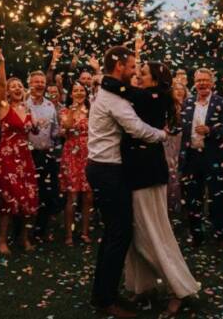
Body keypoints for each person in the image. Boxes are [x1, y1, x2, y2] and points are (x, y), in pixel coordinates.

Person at [87, 45, 167, 318]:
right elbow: (138, 130)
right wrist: (162, 135)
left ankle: (103, 292)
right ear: (119, 66)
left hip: (102, 169)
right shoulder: (113, 99)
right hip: (108, 171)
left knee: (113, 234)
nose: (135, 72)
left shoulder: (108, 91)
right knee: (118, 235)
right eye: (132, 67)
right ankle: (105, 300)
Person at [121, 49, 200, 317]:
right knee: (136, 232)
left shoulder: (153, 97)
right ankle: (142, 287)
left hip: (148, 172)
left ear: (155, 79)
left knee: (149, 232)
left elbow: (122, 90)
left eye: (142, 73)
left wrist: (111, 71)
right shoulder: (151, 96)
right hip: (136, 170)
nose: (137, 76)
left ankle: (179, 288)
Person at [0, 46, 39, 255]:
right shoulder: (4, 106)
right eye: (13, 86)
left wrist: (36, 124)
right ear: (8, 92)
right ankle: (2, 240)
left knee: (28, 196)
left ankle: (24, 238)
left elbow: (32, 131)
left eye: (20, 86)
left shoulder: (27, 109)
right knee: (9, 197)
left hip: (24, 155)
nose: (18, 88)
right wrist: (2, 62)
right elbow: (1, 84)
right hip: (8, 156)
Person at [180, 68, 223, 246]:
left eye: (205, 80)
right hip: (192, 156)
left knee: (217, 197)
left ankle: (221, 235)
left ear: (212, 83)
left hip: (213, 156)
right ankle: (196, 236)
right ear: (194, 83)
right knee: (193, 197)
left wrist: (211, 130)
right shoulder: (187, 103)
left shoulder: (221, 102)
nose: (202, 83)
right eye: (199, 80)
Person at [26, 70, 61, 241]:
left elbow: (54, 132)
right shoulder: (24, 104)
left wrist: (63, 131)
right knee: (28, 192)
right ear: (30, 83)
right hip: (28, 154)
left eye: (42, 82)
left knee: (46, 193)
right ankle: (22, 231)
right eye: (36, 82)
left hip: (47, 153)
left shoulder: (50, 106)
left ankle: (40, 230)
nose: (40, 84)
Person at [59, 81, 92, 245]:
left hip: (88, 154)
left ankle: (85, 232)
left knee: (88, 196)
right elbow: (67, 126)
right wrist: (74, 109)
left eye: (82, 90)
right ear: (71, 94)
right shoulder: (65, 111)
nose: (79, 93)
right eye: (76, 91)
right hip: (71, 153)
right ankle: (68, 235)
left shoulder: (91, 112)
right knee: (72, 196)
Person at [164, 81, 188, 213]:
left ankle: (180, 207)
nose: (179, 91)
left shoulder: (188, 107)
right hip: (168, 143)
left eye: (181, 89)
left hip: (182, 143)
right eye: (176, 89)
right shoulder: (167, 108)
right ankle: (168, 206)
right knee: (170, 171)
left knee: (180, 172)